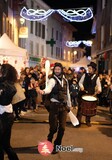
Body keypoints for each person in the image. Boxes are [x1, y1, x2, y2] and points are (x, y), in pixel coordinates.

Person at [37, 62, 72, 154]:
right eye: (55, 69)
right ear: (54, 70)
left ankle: (57, 145)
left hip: (63, 106)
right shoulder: (52, 80)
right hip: (54, 106)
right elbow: (48, 89)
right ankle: (49, 139)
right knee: (53, 127)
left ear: (61, 70)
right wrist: (43, 92)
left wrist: (69, 104)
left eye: (58, 69)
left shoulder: (65, 80)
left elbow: (67, 93)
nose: (57, 71)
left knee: (62, 128)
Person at [0, 64, 19, 160]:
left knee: (4, 145)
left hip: (4, 116)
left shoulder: (8, 86)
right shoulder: (9, 84)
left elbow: (3, 101)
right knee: (5, 145)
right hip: (6, 115)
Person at [77, 62, 101, 127]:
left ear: (93, 69)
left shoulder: (97, 77)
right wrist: (81, 86)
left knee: (89, 109)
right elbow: (80, 82)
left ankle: (88, 121)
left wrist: (99, 90)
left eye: (90, 68)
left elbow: (99, 86)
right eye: (88, 68)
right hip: (82, 94)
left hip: (91, 94)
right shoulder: (85, 75)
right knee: (80, 108)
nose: (88, 69)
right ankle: (78, 122)